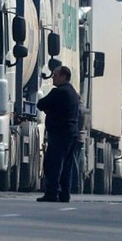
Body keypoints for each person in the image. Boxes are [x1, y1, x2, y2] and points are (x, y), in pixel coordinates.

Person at [36, 65, 80, 202]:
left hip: (59, 133)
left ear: (63, 77)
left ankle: (52, 192)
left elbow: (41, 104)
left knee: (53, 164)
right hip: (71, 133)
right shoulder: (72, 92)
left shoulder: (59, 92)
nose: (53, 77)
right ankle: (64, 194)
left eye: (55, 75)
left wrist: (50, 110)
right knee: (66, 166)